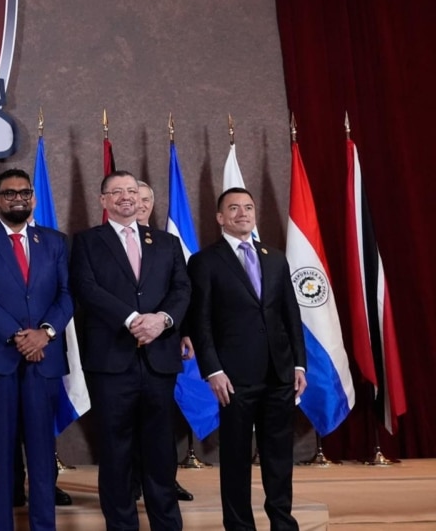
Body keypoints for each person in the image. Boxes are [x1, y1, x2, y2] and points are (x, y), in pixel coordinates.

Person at [69, 170, 189, 531]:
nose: (126, 197)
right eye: (116, 191)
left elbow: (182, 289)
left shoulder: (166, 243)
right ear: (103, 201)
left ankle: (167, 525)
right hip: (111, 362)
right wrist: (134, 318)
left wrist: (162, 321)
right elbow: (86, 288)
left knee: (160, 452)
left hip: (159, 360)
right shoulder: (88, 241)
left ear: (141, 199)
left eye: (132, 191)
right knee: (116, 452)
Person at [188, 187, 307, 531]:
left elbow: (290, 315)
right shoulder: (205, 261)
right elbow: (201, 323)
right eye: (234, 208)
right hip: (233, 377)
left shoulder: (274, 257)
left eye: (248, 207)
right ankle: (240, 526)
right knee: (237, 458)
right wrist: (212, 369)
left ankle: (283, 523)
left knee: (279, 457)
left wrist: (299, 364)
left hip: (279, 373)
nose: (243, 213)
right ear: (220, 218)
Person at [0, 169, 73, 531]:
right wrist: (18, 336)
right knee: (2, 453)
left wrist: (45, 333)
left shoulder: (54, 241)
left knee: (42, 453)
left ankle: (44, 526)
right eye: (9, 194)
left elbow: (66, 295)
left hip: (45, 361)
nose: (17, 198)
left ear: (34, 198)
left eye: (24, 192)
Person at [135, 180, 195, 503]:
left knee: (161, 421)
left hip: (163, 343)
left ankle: (165, 483)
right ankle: (131, 484)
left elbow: (180, 290)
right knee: (126, 423)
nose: (141, 204)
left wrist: (181, 329)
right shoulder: (103, 242)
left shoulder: (168, 243)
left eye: (146, 199)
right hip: (122, 346)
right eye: (135, 198)